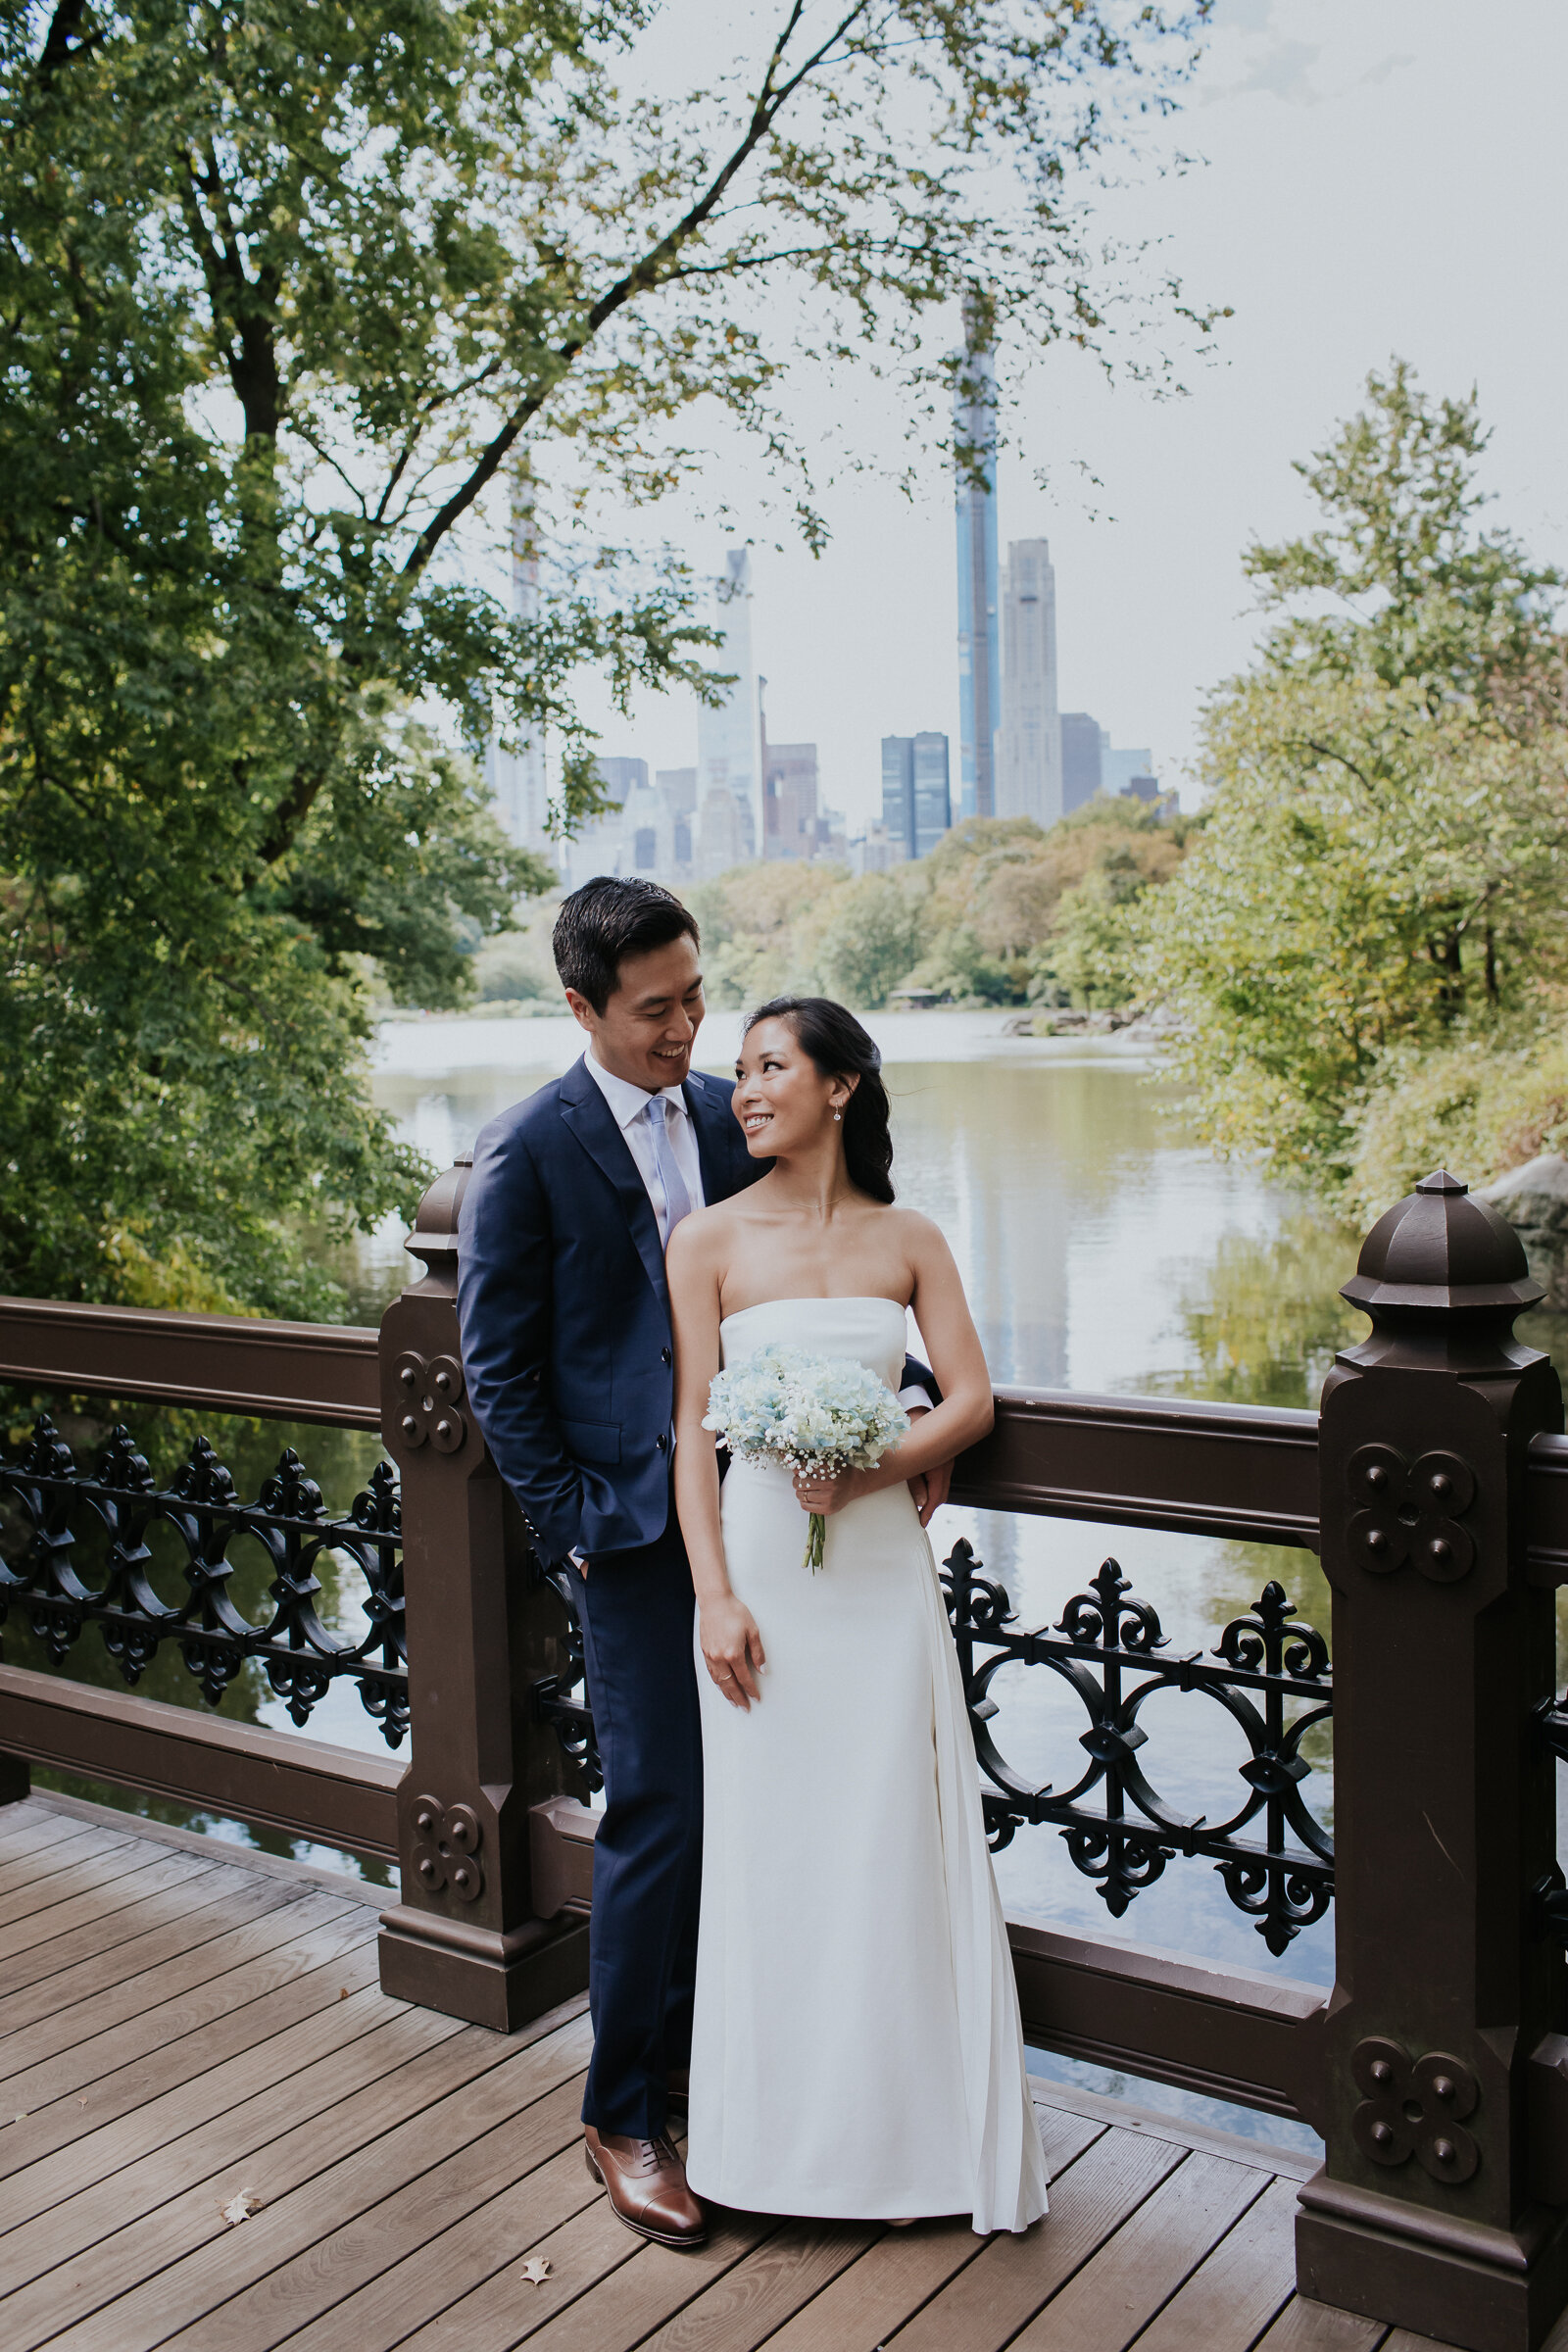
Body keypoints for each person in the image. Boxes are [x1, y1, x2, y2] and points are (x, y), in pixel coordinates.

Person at [457, 880, 948, 2251]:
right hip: (632, 1541)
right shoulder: (525, 1154)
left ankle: (732, 2073)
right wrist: (579, 1530)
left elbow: (804, 1278)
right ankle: (622, 2114)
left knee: (769, 1809)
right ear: (582, 1009)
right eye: (655, 1009)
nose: (688, 1031)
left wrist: (903, 1391)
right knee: (660, 1814)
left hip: (764, 1529)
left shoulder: (735, 1121)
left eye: (694, 997)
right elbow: (497, 1379)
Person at [667, 995, 1050, 2233]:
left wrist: (880, 1463)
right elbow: (689, 1432)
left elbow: (973, 1399)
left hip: (882, 1577)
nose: (745, 1090)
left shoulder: (912, 1237)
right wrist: (712, 1595)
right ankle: (774, 2157)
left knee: (888, 1842)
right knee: (774, 1852)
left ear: (841, 1086)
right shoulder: (706, 1241)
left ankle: (915, 2154)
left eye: (771, 1066)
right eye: (739, 1072)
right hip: (766, 1580)